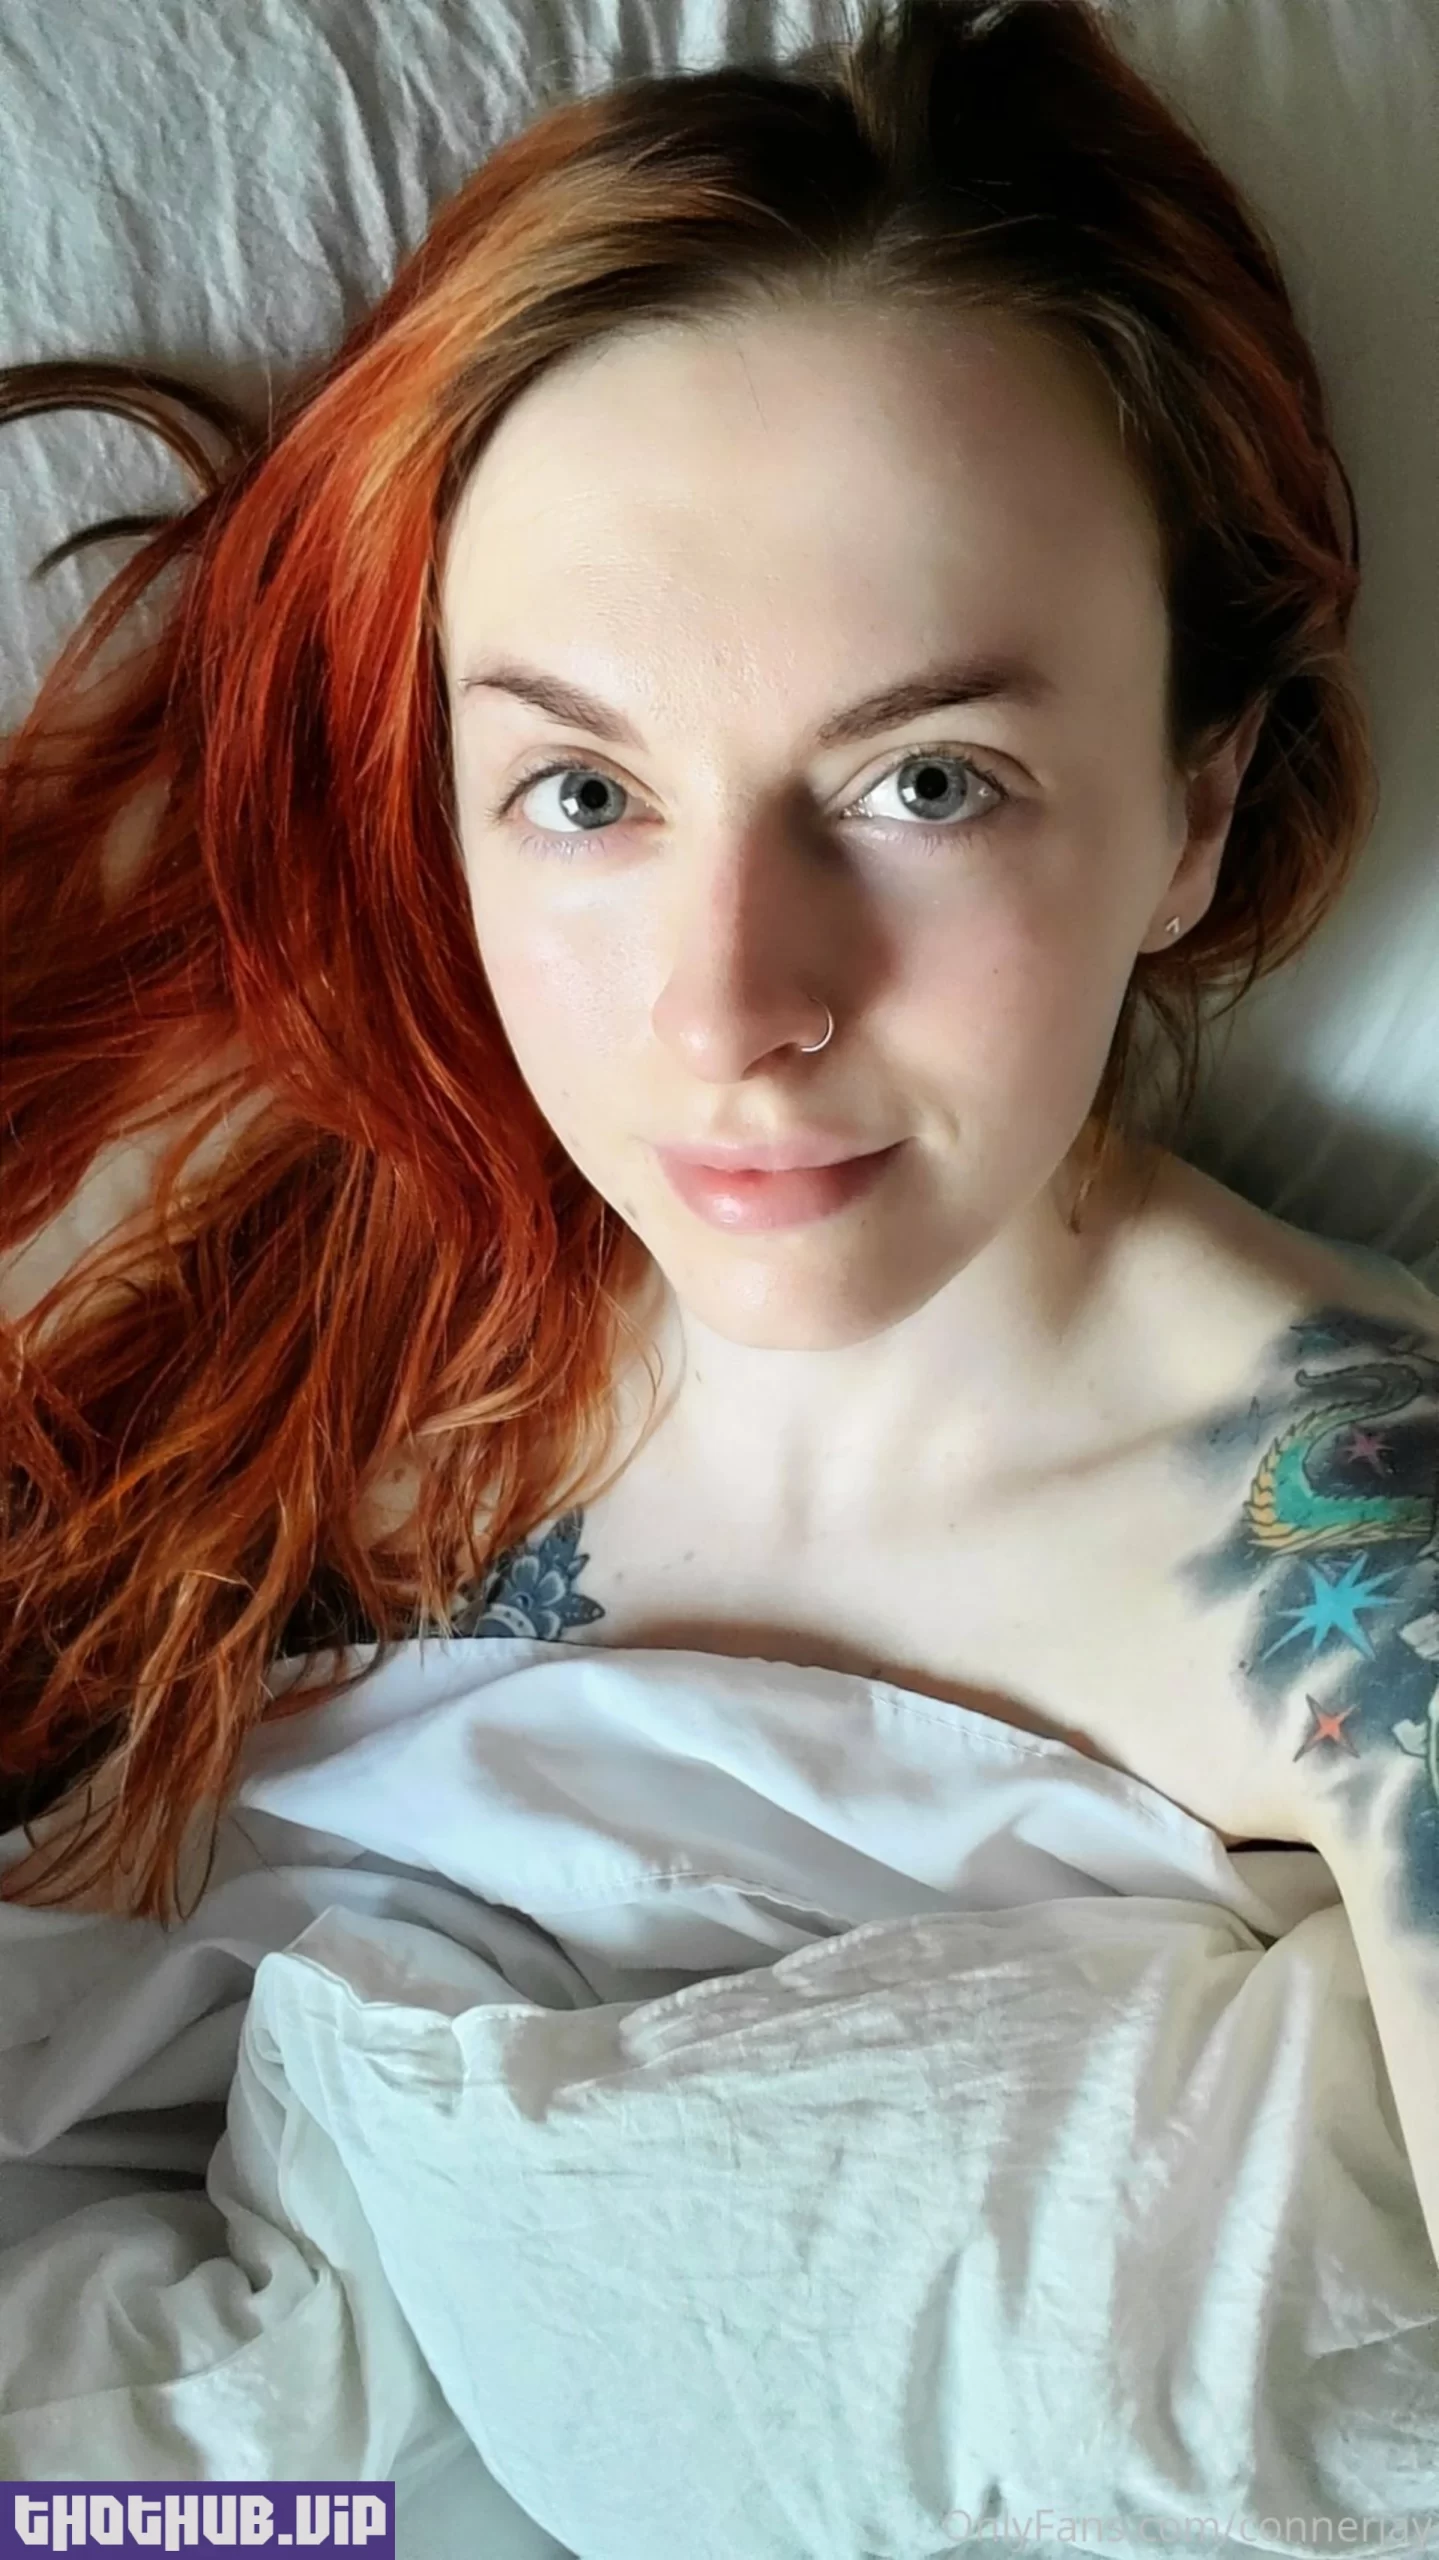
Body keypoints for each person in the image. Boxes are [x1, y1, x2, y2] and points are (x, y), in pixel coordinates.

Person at [1, 0, 1435, 1937]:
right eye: (585, 793)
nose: (725, 1009)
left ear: (1194, 810)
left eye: (926, 782)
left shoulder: (1365, 1584)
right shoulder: (265, 1291)